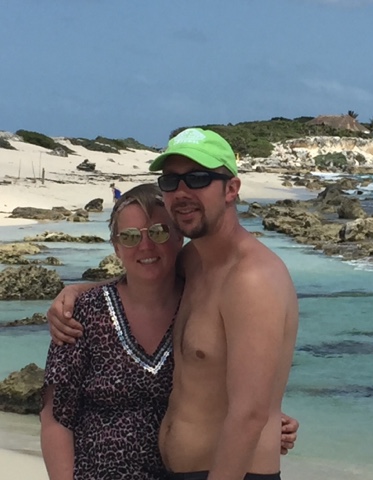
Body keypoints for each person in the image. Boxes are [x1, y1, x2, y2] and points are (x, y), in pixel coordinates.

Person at [48, 128, 300, 480]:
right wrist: (78, 291)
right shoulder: (195, 261)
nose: (182, 192)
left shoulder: (252, 279)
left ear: (231, 189)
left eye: (198, 179)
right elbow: (145, 275)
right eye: (170, 181)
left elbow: (250, 416)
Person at [41, 184, 185, 479]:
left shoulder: (202, 306)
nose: (145, 246)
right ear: (117, 247)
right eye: (130, 237)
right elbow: (56, 417)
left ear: (179, 237)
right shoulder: (85, 312)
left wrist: (269, 417)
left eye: (158, 232)